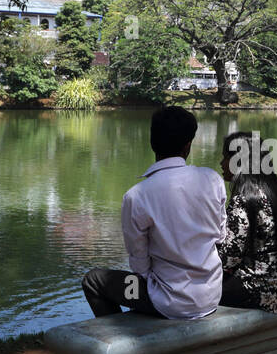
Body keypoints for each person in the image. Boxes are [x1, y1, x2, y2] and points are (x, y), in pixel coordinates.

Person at [82, 106, 226, 319]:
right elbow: (221, 235)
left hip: (168, 301)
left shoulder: (137, 196)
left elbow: (139, 263)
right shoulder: (212, 179)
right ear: (187, 147)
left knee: (94, 280)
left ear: (152, 144)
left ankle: (119, 336)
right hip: (211, 294)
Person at [217, 131, 277, 313]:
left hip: (255, 291)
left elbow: (228, 259)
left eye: (226, 157)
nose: (221, 163)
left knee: (185, 291)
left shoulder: (245, 198)